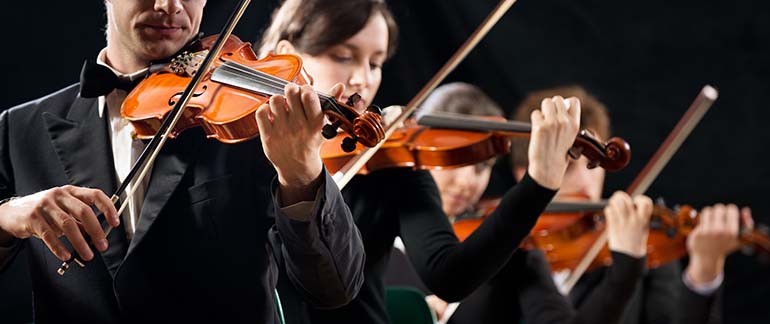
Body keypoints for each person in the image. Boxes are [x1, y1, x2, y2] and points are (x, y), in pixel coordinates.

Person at [0, 1, 365, 323]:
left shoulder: (257, 120)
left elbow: (332, 287)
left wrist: (301, 174)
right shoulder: (20, 127)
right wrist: (8, 215)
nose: (169, 5)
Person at [257, 1, 582, 323]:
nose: (362, 79)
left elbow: (450, 275)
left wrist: (539, 184)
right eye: (343, 56)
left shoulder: (392, 162)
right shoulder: (232, 140)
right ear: (288, 54)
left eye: (375, 63)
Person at [413, 85, 751, 324]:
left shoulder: (637, 244)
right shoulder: (497, 246)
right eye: (572, 163)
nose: (589, 183)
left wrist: (703, 271)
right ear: (526, 169)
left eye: (596, 167)